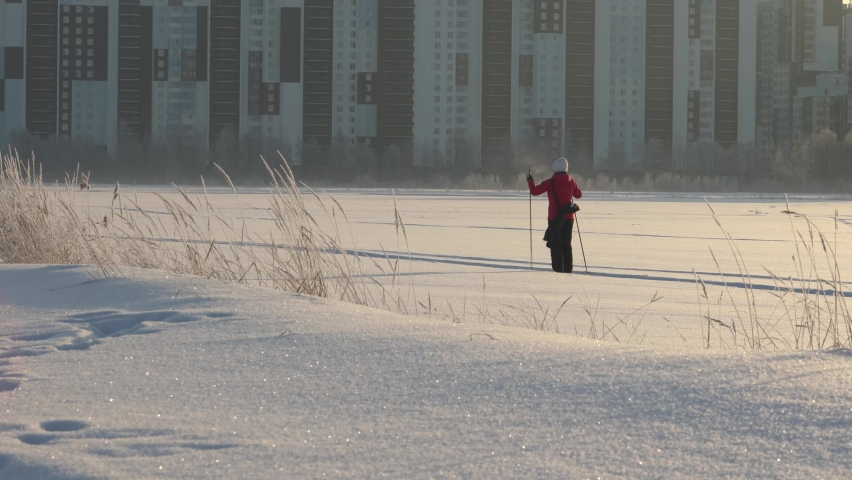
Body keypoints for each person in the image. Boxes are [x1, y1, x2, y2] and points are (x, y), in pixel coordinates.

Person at [527, 157, 583, 273]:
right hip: (569, 218)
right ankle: (568, 270)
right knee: (566, 244)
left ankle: (558, 270)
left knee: (556, 245)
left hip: (554, 218)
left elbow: (534, 191)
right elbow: (578, 195)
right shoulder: (571, 181)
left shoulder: (550, 182)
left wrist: (530, 180)